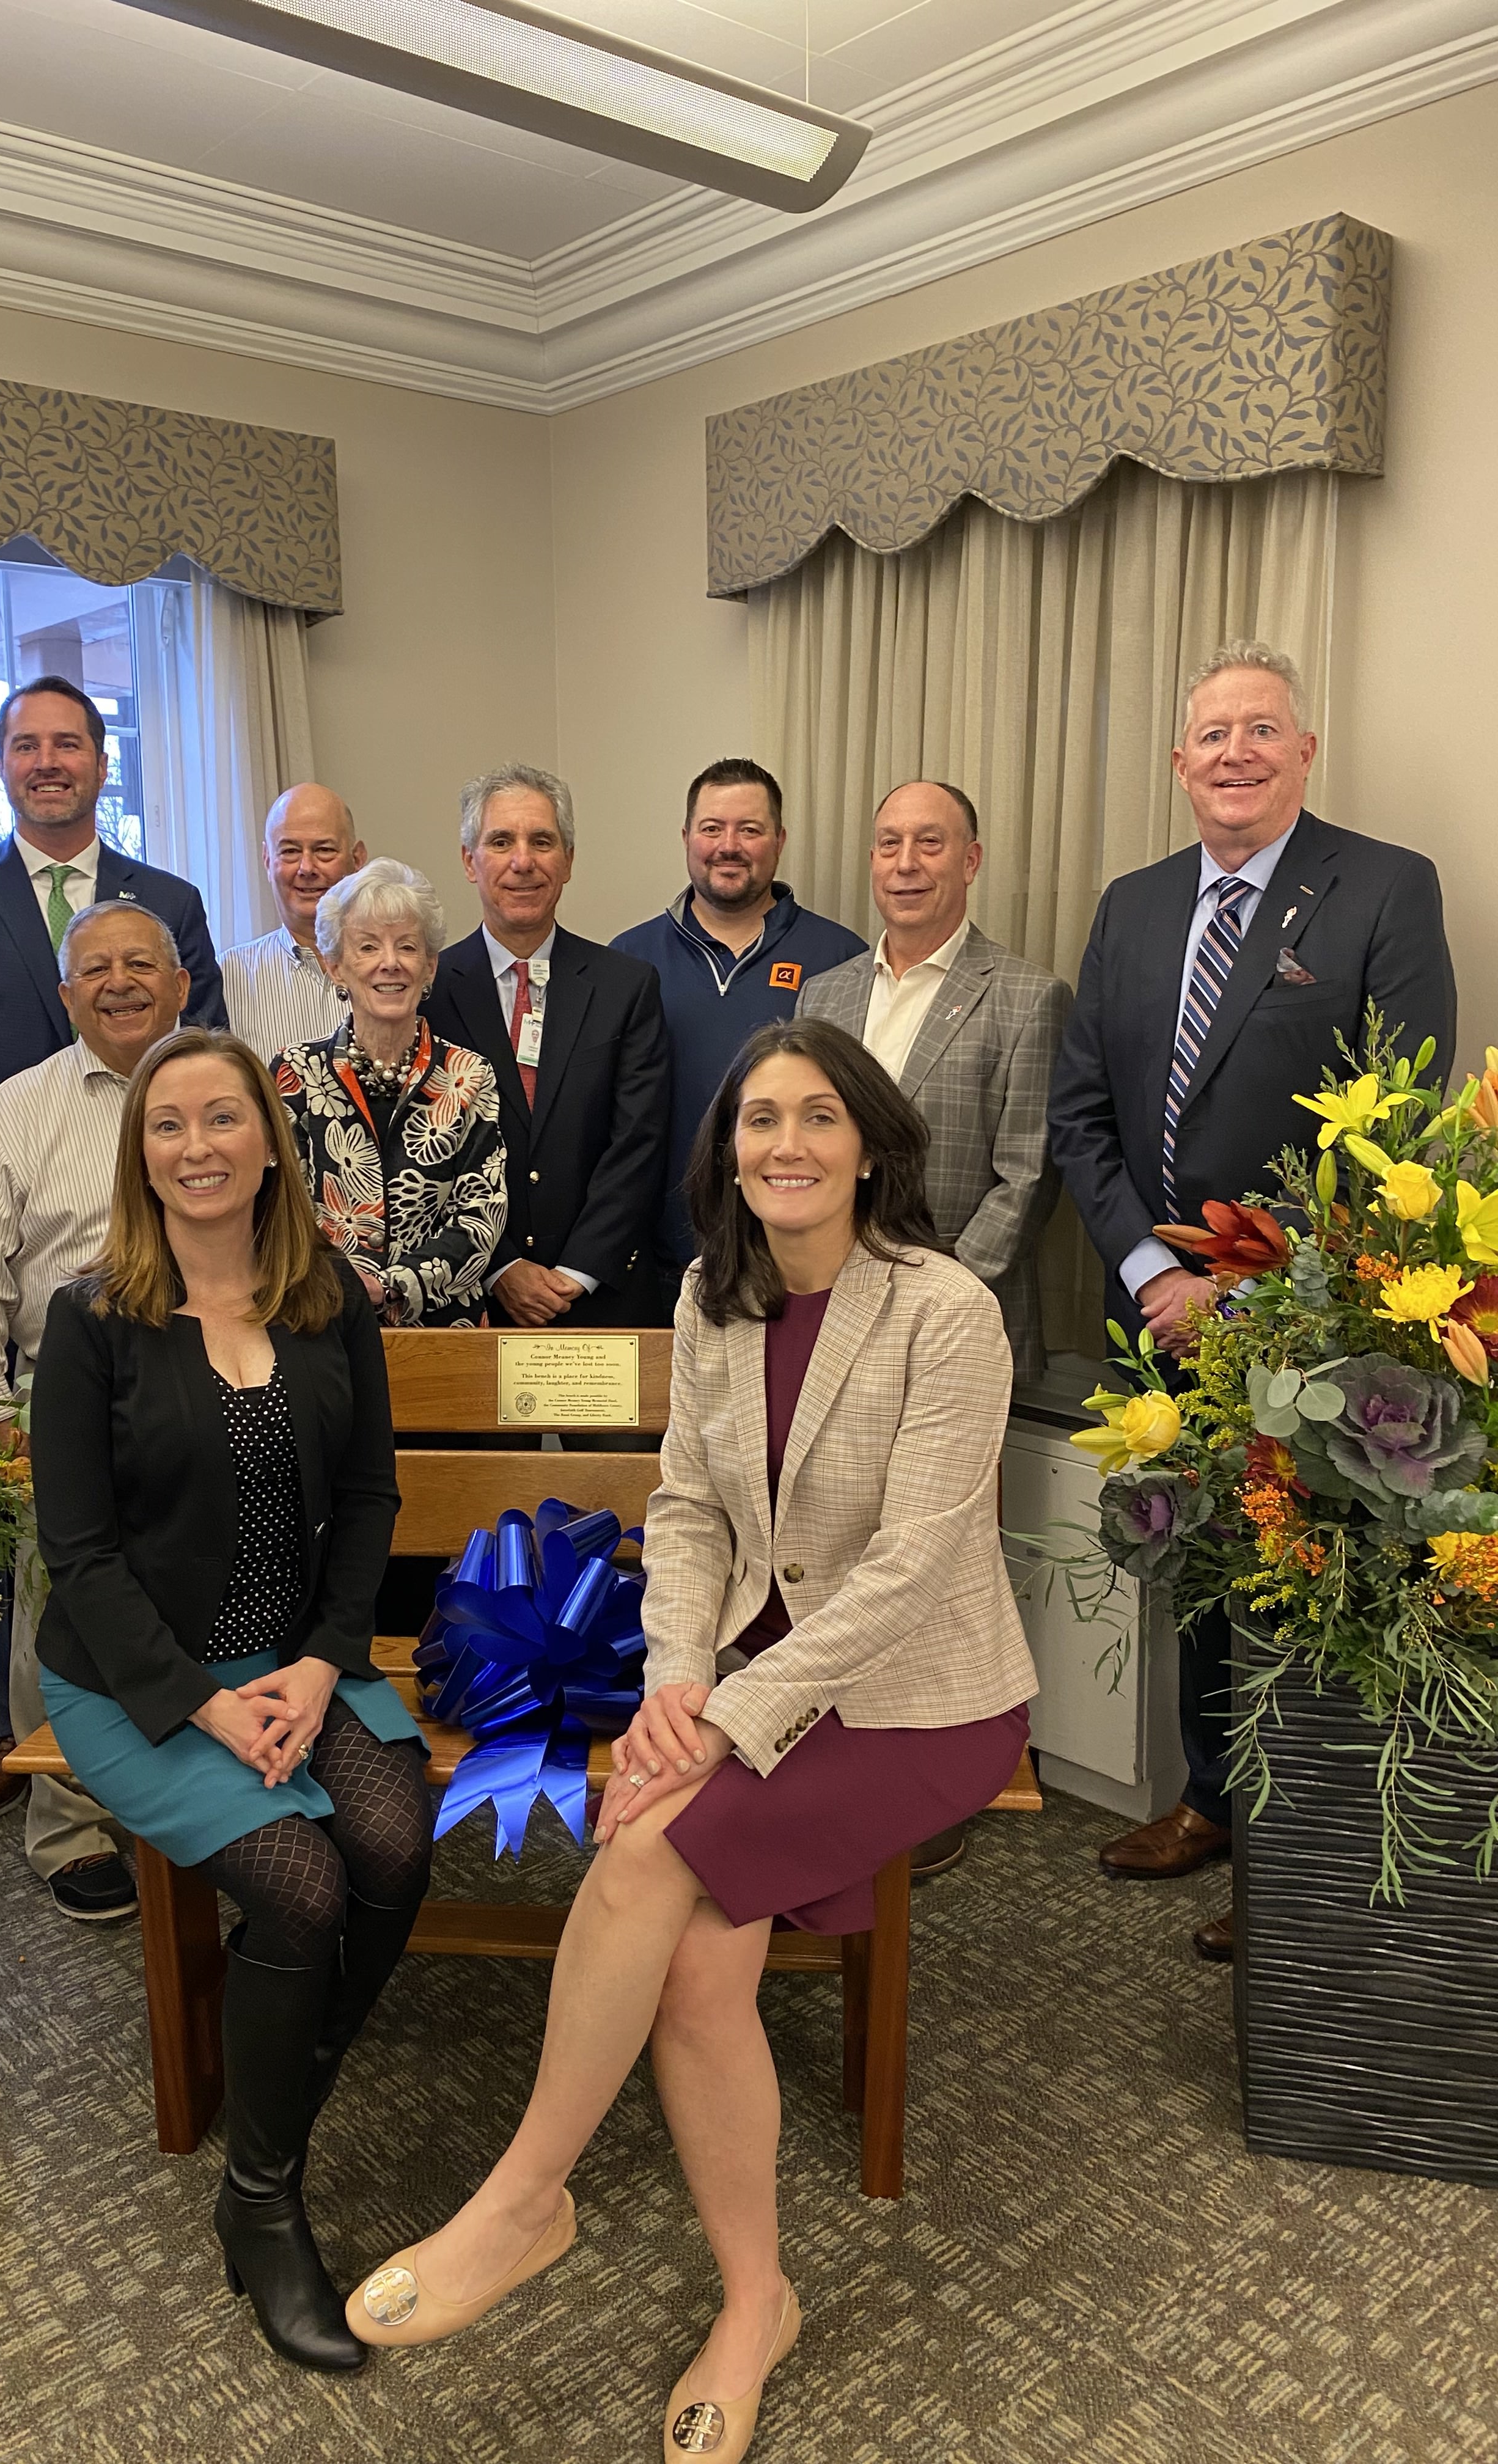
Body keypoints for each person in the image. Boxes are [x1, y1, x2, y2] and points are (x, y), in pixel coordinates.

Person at [344, 1019, 1037, 2464]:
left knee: (649, 1855)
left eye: (819, 1117)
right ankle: (756, 2303)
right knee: (703, 1972)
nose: (788, 1144)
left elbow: (915, 1567)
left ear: (870, 1147)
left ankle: (525, 2199)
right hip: (745, 1677)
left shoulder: (945, 1310)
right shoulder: (716, 1303)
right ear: (729, 1152)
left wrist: (723, 1719)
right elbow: (692, 1513)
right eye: (760, 1119)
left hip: (915, 1699)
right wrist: (674, 1681)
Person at [1048, 639, 1456, 1962]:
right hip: (1155, 1311)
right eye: (1213, 734)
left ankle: (1293, 1851)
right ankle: (1210, 1801)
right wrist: (1153, 1272)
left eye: (1260, 729)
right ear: (1179, 762)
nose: (1235, 752)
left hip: (1304, 1322)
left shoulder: (1383, 886)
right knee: (1191, 1559)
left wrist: (1251, 1289)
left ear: (1303, 750)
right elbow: (1081, 1115)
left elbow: (1399, 1116)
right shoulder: (1131, 904)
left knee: (1297, 1578)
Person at [31, 1026, 429, 2373]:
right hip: (141, 1677)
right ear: (140, 1156)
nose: (197, 1146)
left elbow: (368, 1497)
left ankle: (274, 2104)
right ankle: (263, 2202)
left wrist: (319, 1664)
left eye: (222, 1119)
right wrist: (206, 1705)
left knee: (394, 1846)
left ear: (270, 1142)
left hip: (302, 1657)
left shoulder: (328, 1296)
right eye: (168, 1125)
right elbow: (80, 1557)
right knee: (303, 1889)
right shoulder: (92, 1320)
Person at [0, 903, 190, 1910]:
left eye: (141, 963)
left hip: (218, 1379)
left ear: (180, 985)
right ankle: (71, 1823)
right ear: (68, 995)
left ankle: (204, 1797)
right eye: (96, 970)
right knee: (64, 1615)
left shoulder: (234, 1087)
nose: (120, 983)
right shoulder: (15, 1111)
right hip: (62, 1394)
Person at [0, 673, 225, 1236]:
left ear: (102, 765)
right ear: (2, 765)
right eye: (27, 746)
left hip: (159, 1197)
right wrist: (14, 1179)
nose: (47, 762)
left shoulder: (173, 900)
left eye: (67, 744)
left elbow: (203, 1046)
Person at [798, 780, 1071, 1385]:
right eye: (889, 844)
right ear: (873, 860)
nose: (906, 864)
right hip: (826, 1306)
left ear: (970, 861)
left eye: (929, 843)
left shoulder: (1029, 998)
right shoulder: (823, 996)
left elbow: (1028, 1179)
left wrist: (934, 1296)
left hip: (962, 1317)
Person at [612, 757, 866, 1315]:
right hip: (656, 1263)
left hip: (800, 1264)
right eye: (712, 828)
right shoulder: (627, 962)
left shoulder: (843, 959)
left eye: (749, 830)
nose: (729, 846)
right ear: (686, 838)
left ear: (779, 841)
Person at [425, 763, 669, 1328]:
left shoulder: (626, 987)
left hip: (604, 1295)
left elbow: (639, 1143)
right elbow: (427, 1155)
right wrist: (501, 1266)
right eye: (500, 842)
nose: (523, 862)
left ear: (568, 860)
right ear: (469, 860)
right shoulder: (429, 993)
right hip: (473, 1296)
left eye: (542, 841)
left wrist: (579, 1271)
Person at [274, 859, 506, 1327]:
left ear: (430, 967)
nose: (390, 963)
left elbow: (482, 1215)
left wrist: (391, 1287)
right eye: (367, 947)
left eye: (407, 946)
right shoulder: (295, 1073)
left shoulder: (469, 1075)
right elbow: (280, 1210)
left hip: (445, 1331)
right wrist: (343, 1287)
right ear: (335, 967)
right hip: (324, 1324)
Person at [221, 783, 367, 1065]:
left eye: (324, 850)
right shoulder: (229, 976)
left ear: (357, 859)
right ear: (267, 860)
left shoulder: (397, 968)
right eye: (289, 851)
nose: (306, 868)